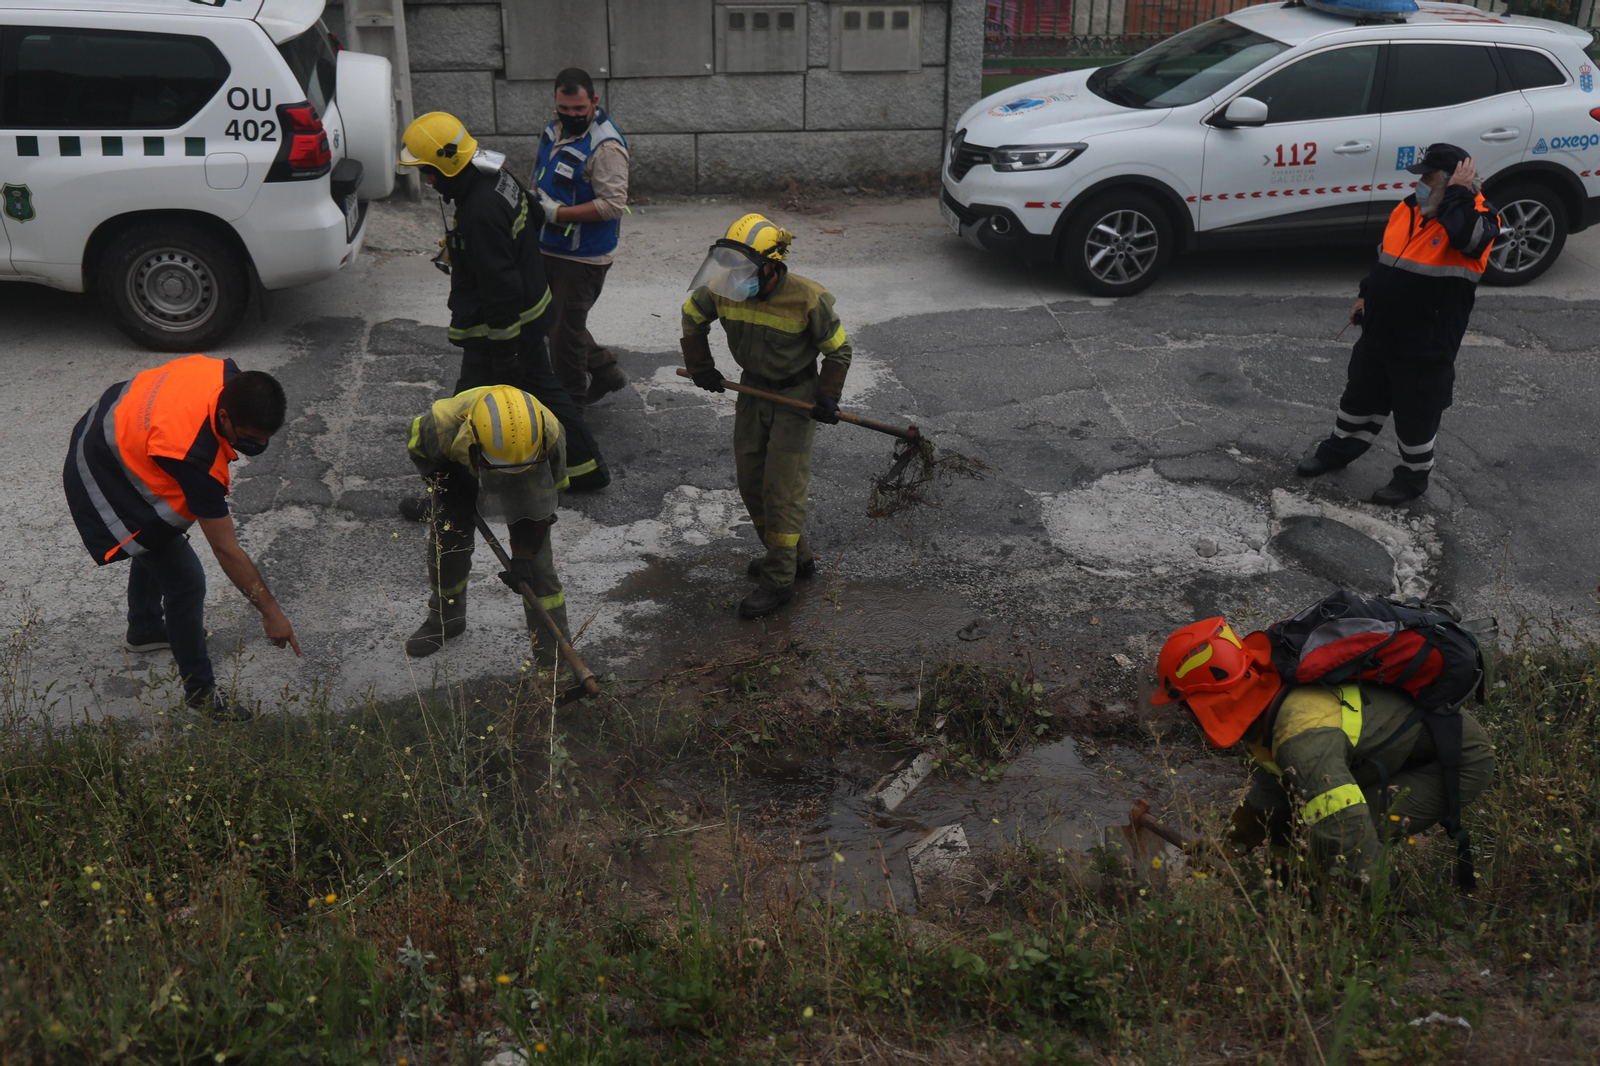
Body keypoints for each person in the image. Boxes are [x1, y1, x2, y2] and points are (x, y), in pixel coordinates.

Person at [1149, 617, 1494, 895]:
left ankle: (1398, 919)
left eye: (1185, 705)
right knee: (1294, 834)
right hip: (1397, 752)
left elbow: (1347, 835)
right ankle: (1288, 900)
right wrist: (1228, 845)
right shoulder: (1266, 702)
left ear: (1210, 699)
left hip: (1452, 763)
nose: (1185, 715)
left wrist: (1383, 924)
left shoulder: (1301, 736)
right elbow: (1274, 792)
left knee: (1327, 842)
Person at [395, 111, 608, 518]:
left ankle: (450, 499)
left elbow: (500, 285)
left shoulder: (479, 212)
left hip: (502, 330)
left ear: (447, 165)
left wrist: (504, 350)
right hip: (531, 313)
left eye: (428, 171)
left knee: (458, 412)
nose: (428, 181)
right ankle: (586, 468)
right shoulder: (496, 174)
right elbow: (529, 213)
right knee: (548, 392)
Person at [62, 354, 300, 718]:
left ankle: (143, 628)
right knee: (185, 580)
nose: (256, 447)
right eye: (249, 439)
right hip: (101, 468)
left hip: (115, 423)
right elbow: (225, 548)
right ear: (224, 417)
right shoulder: (194, 457)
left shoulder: (226, 377)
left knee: (159, 534)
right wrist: (271, 612)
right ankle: (200, 694)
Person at [1296, 143, 1499, 505]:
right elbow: (1386, 258)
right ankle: (1337, 452)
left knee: (1416, 414)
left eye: (1428, 177)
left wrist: (1456, 195)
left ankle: (1411, 481)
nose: (1419, 184)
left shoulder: (1480, 216)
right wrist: (1366, 294)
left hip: (1426, 340)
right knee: (1359, 396)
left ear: (1455, 182)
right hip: (1381, 329)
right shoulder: (1407, 209)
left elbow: (1466, 240)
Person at [681, 213, 852, 619]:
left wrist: (827, 396)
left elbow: (839, 351)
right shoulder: (724, 288)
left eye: (745, 270)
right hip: (752, 391)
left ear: (771, 265)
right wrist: (701, 364)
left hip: (797, 397)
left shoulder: (808, 299)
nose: (735, 278)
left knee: (782, 490)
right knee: (752, 482)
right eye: (731, 268)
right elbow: (692, 316)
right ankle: (796, 557)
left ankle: (779, 579)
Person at [403, 384, 570, 661]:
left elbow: (546, 505)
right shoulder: (441, 426)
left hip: (531, 482)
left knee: (539, 573)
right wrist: (449, 490)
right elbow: (419, 451)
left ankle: (553, 663)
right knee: (447, 550)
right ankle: (446, 620)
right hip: (460, 476)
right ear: (474, 448)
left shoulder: (550, 437)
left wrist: (523, 555)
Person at [531, 67, 631, 407]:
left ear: (594, 102)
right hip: (548, 246)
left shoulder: (606, 146)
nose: (571, 116)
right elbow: (542, 170)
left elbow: (613, 205)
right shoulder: (553, 127)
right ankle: (605, 372)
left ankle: (570, 410)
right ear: (556, 103)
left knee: (563, 337)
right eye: (565, 109)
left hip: (583, 257)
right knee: (554, 321)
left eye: (579, 110)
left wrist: (559, 214)